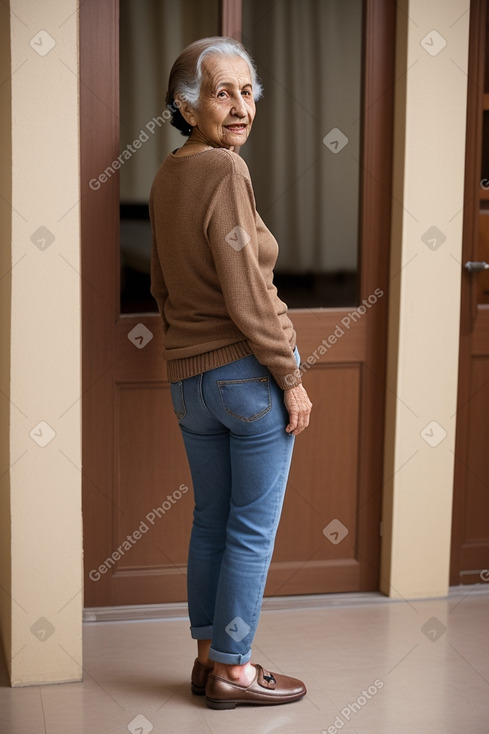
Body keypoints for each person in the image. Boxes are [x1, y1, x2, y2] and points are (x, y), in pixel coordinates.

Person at [150, 36, 313, 710]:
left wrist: (185, 354)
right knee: (248, 529)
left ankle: (205, 661)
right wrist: (290, 374)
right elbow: (247, 287)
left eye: (247, 92)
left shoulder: (167, 174)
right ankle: (236, 671)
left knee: (211, 523)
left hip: (190, 384)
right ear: (186, 106)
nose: (240, 106)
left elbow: (162, 286)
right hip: (245, 379)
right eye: (222, 92)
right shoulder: (223, 170)